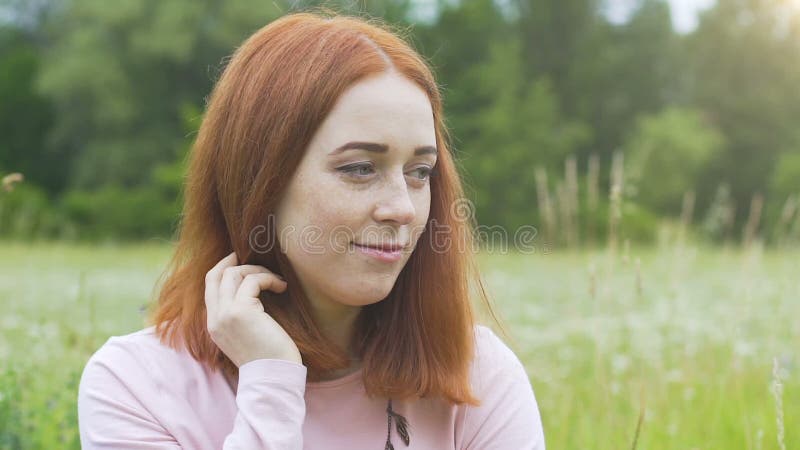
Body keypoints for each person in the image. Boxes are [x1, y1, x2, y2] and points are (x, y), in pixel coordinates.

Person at [77, 10, 546, 450]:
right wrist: (271, 383)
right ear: (259, 182)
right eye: (360, 168)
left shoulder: (477, 376)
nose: (402, 208)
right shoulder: (136, 386)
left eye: (420, 172)